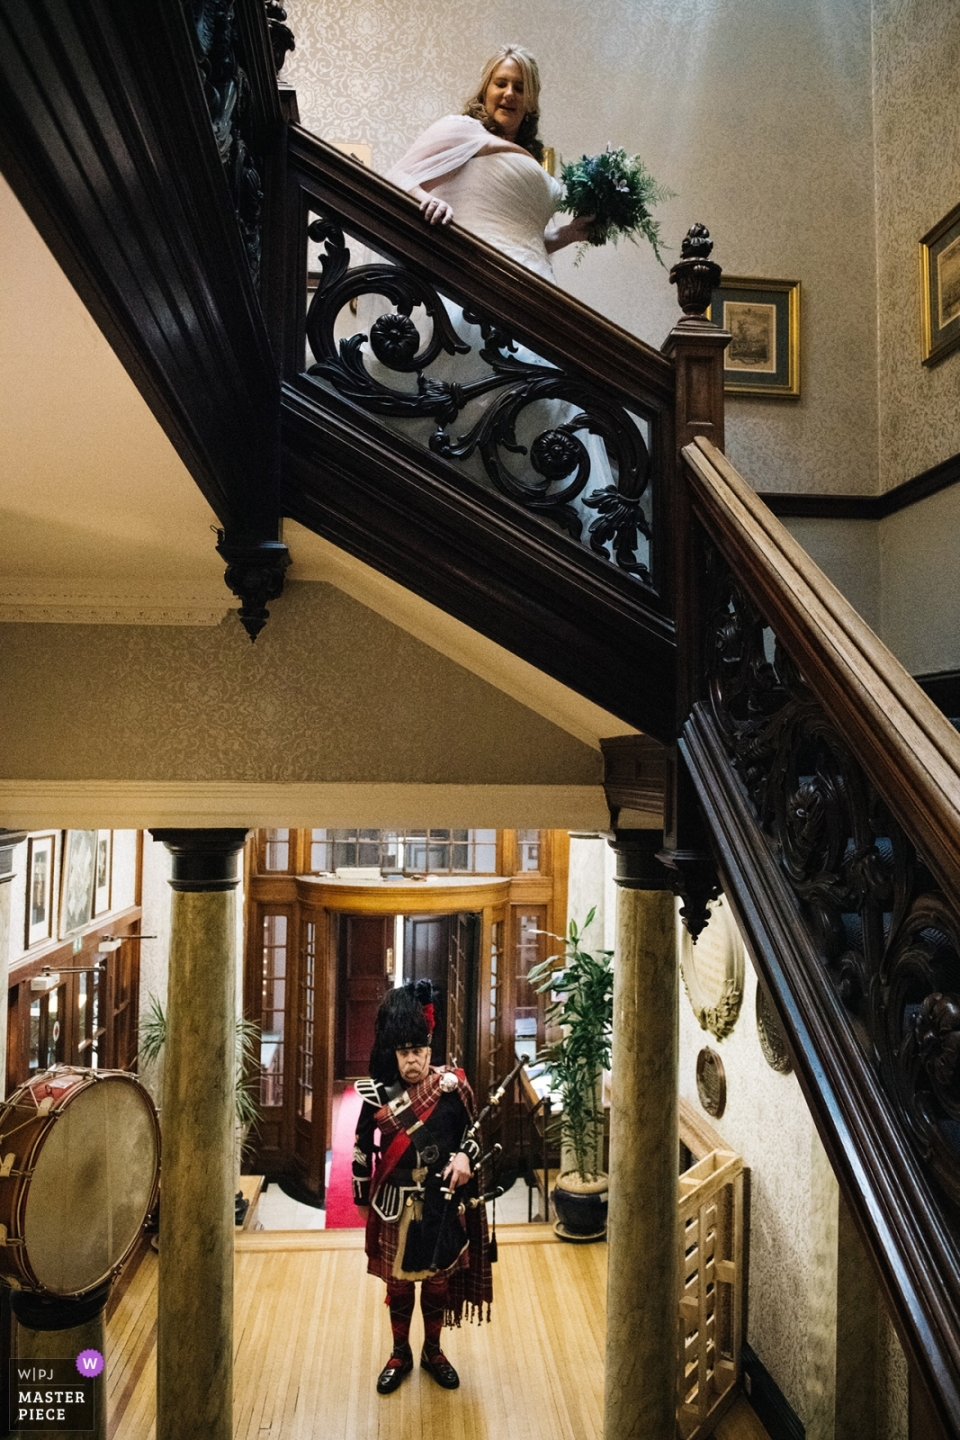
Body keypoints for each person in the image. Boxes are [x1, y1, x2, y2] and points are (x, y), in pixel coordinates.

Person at [353, 980, 492, 1395]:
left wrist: (466, 1156)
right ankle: (400, 1352)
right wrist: (362, 1198)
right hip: (395, 1204)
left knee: (436, 1282)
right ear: (393, 1053)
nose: (411, 1061)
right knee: (398, 1285)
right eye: (403, 1053)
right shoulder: (378, 1093)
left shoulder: (453, 1087)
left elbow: (474, 1134)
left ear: (429, 1052)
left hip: (441, 1204)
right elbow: (361, 1148)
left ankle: (433, 1350)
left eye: (417, 1052)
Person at [384, 45, 593, 277]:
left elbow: (523, 243)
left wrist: (570, 233)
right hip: (473, 276)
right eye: (501, 84)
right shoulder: (463, 129)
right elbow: (397, 177)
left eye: (520, 88)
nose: (510, 93)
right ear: (485, 90)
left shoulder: (531, 155)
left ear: (531, 101)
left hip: (535, 284)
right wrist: (426, 200)